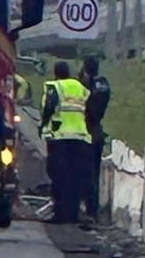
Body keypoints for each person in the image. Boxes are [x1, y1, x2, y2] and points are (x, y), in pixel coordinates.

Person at [40, 61, 93, 224]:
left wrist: (43, 125)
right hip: (81, 138)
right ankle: (73, 214)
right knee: (75, 178)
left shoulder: (54, 87)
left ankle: (60, 214)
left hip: (60, 137)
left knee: (59, 176)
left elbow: (49, 108)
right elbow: (89, 109)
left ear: (56, 73)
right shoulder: (80, 88)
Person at [81, 56, 112, 221]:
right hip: (97, 133)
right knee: (94, 173)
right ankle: (92, 210)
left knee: (85, 173)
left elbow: (88, 107)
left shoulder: (84, 87)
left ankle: (87, 210)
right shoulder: (103, 85)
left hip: (86, 134)